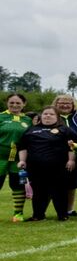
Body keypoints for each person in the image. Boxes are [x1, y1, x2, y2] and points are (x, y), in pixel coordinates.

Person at [16, 107, 75, 221]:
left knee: (59, 191)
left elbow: (72, 147)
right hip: (36, 167)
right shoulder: (31, 130)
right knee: (38, 191)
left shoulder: (64, 130)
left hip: (58, 167)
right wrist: (22, 160)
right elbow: (23, 147)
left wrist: (71, 160)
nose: (47, 116)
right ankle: (38, 215)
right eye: (45, 114)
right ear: (41, 116)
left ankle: (62, 215)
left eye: (51, 114)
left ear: (57, 117)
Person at [54, 94, 77, 216]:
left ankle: (70, 209)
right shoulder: (52, 116)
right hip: (56, 155)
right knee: (57, 183)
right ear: (56, 104)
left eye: (68, 103)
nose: (65, 105)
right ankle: (55, 209)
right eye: (61, 103)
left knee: (71, 184)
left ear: (73, 105)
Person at [2, 93, 33, 222]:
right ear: (7, 103)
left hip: (19, 160)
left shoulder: (28, 120)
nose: (15, 105)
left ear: (24, 104)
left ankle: (18, 214)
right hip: (0, 158)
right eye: (12, 102)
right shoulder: (1, 117)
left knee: (18, 185)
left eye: (18, 103)